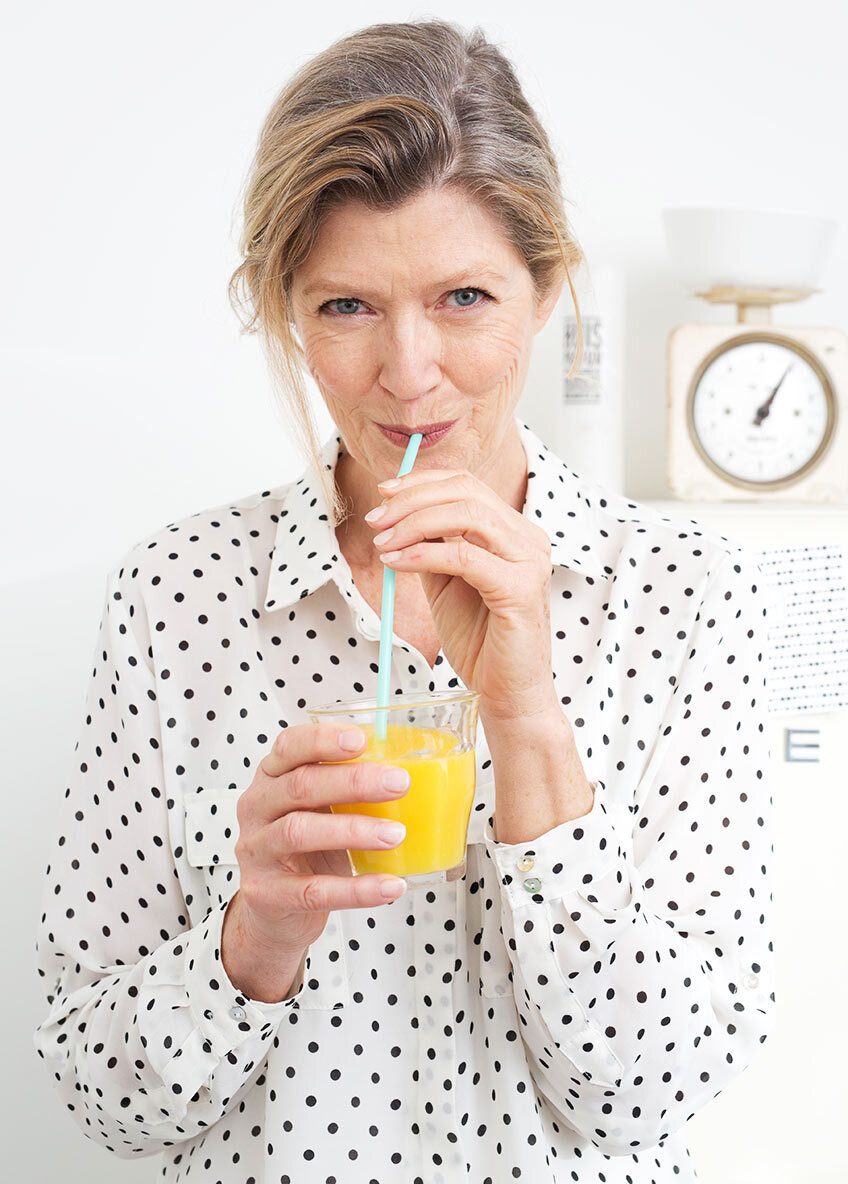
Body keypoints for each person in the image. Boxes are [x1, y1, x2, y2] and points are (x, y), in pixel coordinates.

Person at [33, 17, 775, 1184]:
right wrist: (254, 934)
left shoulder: (686, 597)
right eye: (346, 306)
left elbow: (644, 1094)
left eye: (463, 296)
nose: (408, 371)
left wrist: (525, 717)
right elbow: (99, 1095)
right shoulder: (175, 596)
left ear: (544, 290)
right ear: (286, 307)